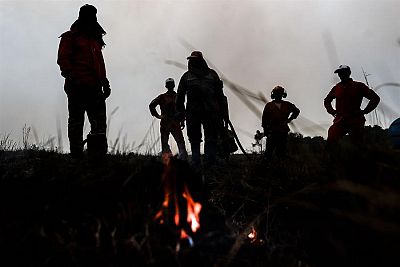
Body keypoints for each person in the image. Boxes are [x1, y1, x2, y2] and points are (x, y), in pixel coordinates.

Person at [57, 4, 111, 160]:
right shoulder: (70, 37)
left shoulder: (95, 41)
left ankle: (98, 155)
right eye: (90, 15)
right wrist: (73, 79)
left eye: (94, 15)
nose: (93, 18)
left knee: (99, 123)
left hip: (95, 89)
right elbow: (63, 60)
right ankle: (77, 156)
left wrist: (105, 83)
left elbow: (100, 65)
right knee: (76, 121)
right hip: (77, 87)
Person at [176, 51, 229, 167]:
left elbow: (220, 96)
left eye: (194, 60)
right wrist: (180, 114)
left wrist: (224, 113)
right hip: (193, 113)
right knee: (195, 138)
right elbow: (179, 98)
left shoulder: (211, 75)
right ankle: (196, 161)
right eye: (191, 60)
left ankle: (209, 160)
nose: (192, 62)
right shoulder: (187, 76)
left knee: (210, 137)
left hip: (210, 113)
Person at [324, 65, 380, 147]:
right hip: (339, 120)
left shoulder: (358, 86)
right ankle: (332, 158)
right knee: (331, 139)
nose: (341, 75)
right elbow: (327, 101)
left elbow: (375, 98)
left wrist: (365, 111)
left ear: (349, 73)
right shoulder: (336, 88)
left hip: (355, 120)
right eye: (339, 73)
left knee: (358, 145)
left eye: (343, 72)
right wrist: (332, 111)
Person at [149, 78, 188, 160]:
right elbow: (152, 105)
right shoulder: (164, 97)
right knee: (167, 142)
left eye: (171, 84)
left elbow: (182, 110)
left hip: (173, 122)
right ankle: (169, 159)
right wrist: (158, 116)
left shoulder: (176, 96)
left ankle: (181, 159)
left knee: (178, 142)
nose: (170, 86)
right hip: (167, 122)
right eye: (169, 84)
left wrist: (182, 121)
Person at [262, 86, 300, 161]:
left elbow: (297, 111)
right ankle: (267, 168)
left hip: (283, 132)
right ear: (274, 94)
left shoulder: (287, 105)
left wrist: (289, 119)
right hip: (272, 132)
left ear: (283, 94)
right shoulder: (269, 105)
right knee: (268, 153)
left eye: (280, 93)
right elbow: (264, 120)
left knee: (281, 153)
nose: (278, 95)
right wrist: (266, 130)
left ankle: (281, 168)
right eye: (277, 93)